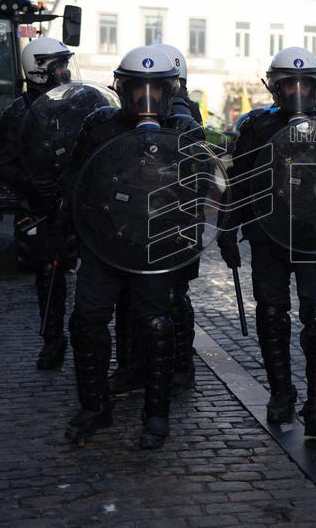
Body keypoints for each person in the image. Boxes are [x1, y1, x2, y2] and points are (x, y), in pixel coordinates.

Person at [61, 45, 202, 449]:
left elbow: (198, 192)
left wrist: (184, 246)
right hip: (104, 245)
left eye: (155, 89)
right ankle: (94, 405)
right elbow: (78, 182)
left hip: (155, 247)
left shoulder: (184, 130)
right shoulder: (100, 126)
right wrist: (69, 232)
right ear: (122, 88)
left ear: (169, 90)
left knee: (156, 326)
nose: (146, 98)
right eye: (137, 88)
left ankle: (156, 415)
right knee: (86, 321)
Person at [217, 46, 316, 438]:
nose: (297, 91)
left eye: (305, 84)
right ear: (276, 87)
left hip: (314, 235)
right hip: (267, 233)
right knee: (271, 314)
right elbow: (238, 180)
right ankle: (281, 393)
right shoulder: (257, 126)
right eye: (289, 84)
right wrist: (227, 228)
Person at [109, 42, 201, 396]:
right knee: (168, 295)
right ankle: (175, 364)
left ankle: (163, 366)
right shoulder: (183, 111)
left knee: (161, 297)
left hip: (166, 221)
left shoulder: (181, 118)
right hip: (166, 223)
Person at [0, 37, 75, 370]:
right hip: (42, 208)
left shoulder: (75, 104)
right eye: (59, 66)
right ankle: (53, 341)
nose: (65, 72)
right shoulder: (17, 114)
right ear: (39, 70)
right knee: (48, 276)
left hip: (77, 202)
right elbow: (2, 162)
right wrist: (34, 184)